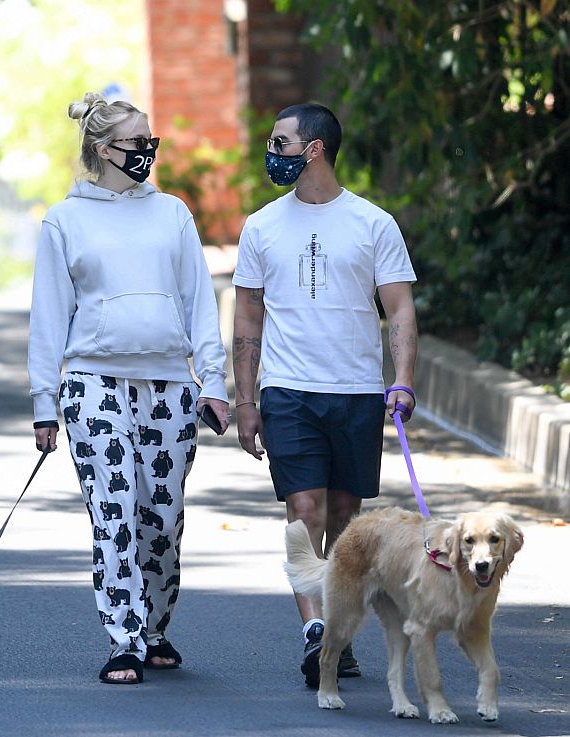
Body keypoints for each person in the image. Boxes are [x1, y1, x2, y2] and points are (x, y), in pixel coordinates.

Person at [27, 92, 230, 685]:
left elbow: (199, 303)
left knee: (162, 518)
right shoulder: (65, 220)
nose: (148, 152)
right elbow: (48, 317)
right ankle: (124, 637)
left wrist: (213, 382)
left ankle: (156, 625)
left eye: (151, 142)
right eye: (137, 144)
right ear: (102, 149)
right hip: (93, 383)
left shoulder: (172, 213)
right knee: (113, 514)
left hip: (169, 384)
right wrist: (45, 404)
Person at [231, 103, 418, 689]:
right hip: (288, 392)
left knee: (344, 518)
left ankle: (338, 625)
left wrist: (403, 379)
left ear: (313, 149)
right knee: (304, 510)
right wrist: (245, 399)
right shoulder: (260, 226)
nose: (271, 152)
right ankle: (315, 634)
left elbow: (400, 308)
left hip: (356, 391)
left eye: (279, 143)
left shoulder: (373, 223)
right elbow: (246, 315)